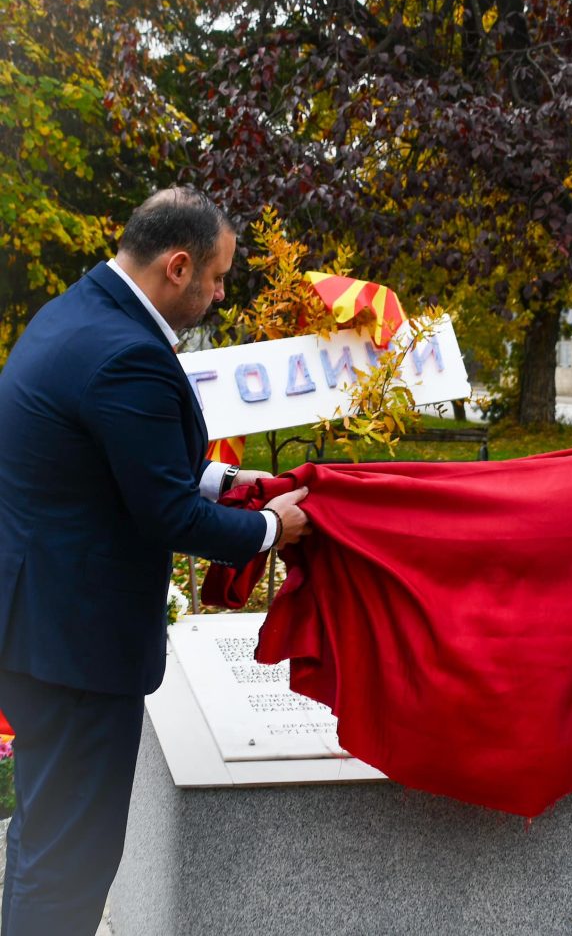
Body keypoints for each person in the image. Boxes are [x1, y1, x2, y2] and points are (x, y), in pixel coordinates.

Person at [0, 188, 312, 935]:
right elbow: (165, 513)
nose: (220, 292)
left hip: (37, 623)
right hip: (81, 647)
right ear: (178, 266)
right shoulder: (127, 355)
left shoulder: (75, 313)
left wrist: (227, 483)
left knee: (43, 837)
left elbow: (117, 463)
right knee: (73, 857)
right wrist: (272, 526)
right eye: (217, 276)